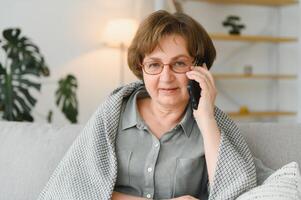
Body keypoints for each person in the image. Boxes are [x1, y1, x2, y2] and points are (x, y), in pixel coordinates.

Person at [38, 10, 273, 200]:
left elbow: (235, 192)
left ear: (198, 68)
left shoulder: (211, 123)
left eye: (179, 63)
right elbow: (75, 188)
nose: (166, 77)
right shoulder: (113, 113)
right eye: (154, 64)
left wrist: (206, 120)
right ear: (141, 68)